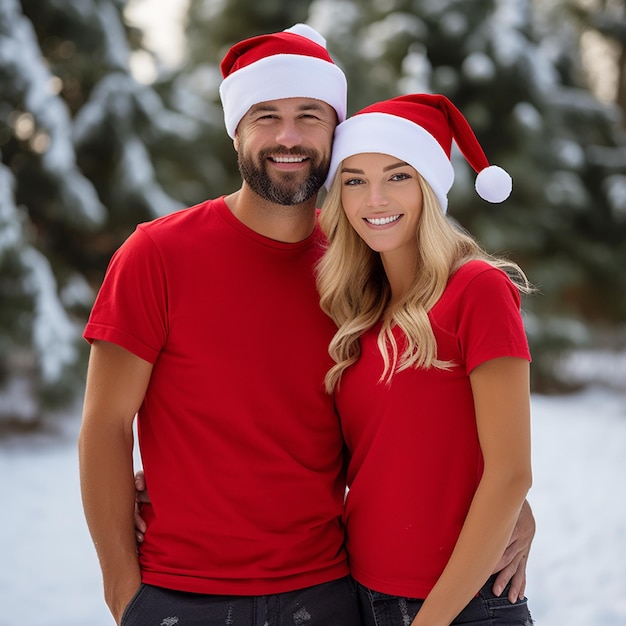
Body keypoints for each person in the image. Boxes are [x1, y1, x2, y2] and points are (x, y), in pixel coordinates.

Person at [79, 21, 533, 626]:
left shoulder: (356, 271)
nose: (287, 136)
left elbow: (405, 420)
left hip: (327, 593)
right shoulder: (156, 255)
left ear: (333, 134)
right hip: (180, 593)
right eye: (265, 114)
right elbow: (105, 425)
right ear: (235, 129)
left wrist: (513, 504)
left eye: (309, 115)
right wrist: (122, 590)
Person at [315, 93, 535, 625]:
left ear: (429, 187)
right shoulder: (359, 309)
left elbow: (509, 473)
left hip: (460, 607)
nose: (374, 198)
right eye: (354, 179)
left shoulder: (477, 289)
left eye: (397, 176)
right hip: (362, 595)